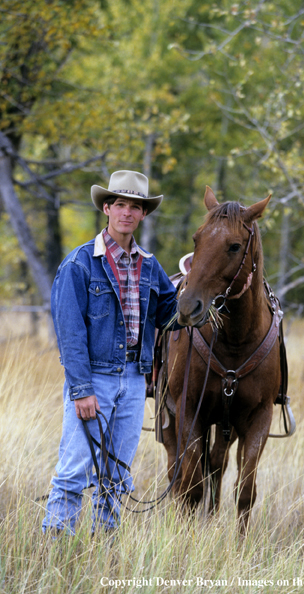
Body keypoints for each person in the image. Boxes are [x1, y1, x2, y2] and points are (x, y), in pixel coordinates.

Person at [42, 170, 179, 536]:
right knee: (73, 471)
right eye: (120, 204)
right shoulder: (79, 264)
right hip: (96, 380)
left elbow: (173, 315)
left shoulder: (149, 264)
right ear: (107, 207)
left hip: (134, 382)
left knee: (117, 475)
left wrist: (206, 280)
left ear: (143, 215)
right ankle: (55, 552)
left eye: (136, 207)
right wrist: (81, 390)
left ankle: (105, 550)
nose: (127, 213)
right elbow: (70, 335)